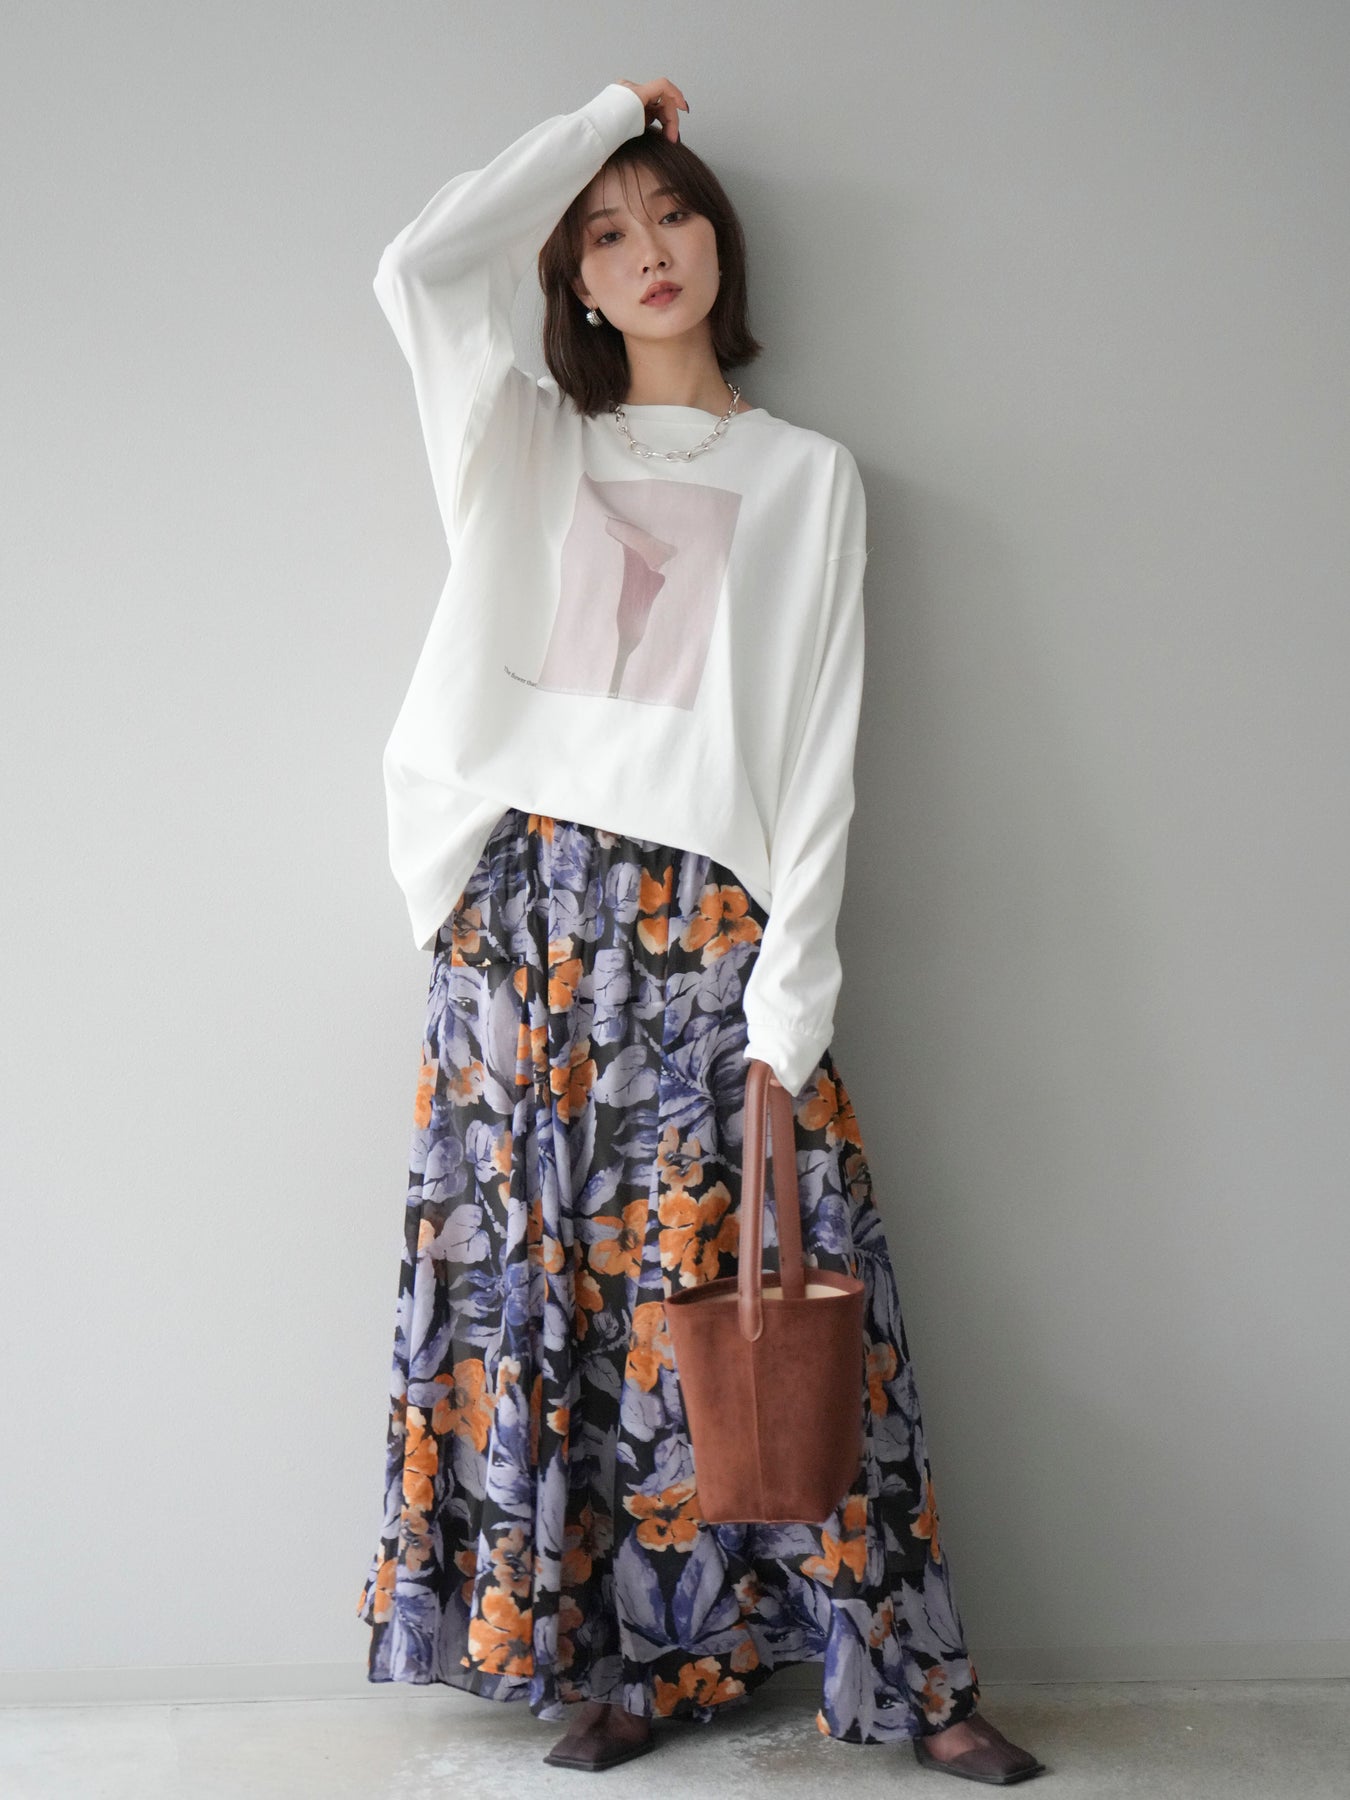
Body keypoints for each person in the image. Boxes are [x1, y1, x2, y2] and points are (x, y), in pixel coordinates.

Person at [355, 74, 1045, 1786]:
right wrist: (602, 114)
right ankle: (629, 1665)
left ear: (721, 245)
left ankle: (906, 1677)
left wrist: (787, 1000)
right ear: (574, 280)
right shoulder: (523, 440)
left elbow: (819, 752)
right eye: (604, 232)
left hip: (704, 917)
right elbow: (415, 270)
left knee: (775, 1281)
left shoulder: (807, 479)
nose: (647, 249)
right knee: (559, 1296)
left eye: (671, 214)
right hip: (522, 920)